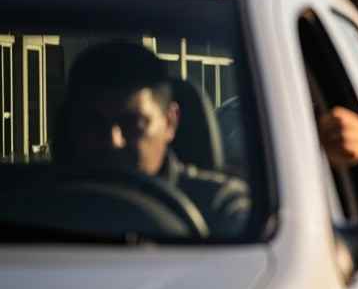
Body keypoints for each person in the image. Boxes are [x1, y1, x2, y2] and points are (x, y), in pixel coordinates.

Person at [61, 41, 252, 237]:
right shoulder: (40, 203)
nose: (113, 141)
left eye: (133, 124)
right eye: (94, 123)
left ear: (170, 122)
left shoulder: (220, 208)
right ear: (70, 125)